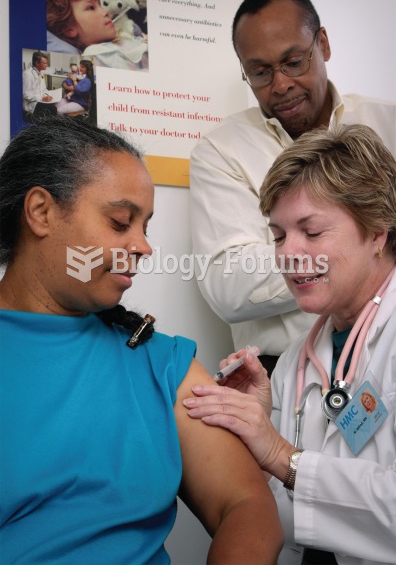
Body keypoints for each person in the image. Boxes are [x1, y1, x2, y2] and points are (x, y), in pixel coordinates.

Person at [0, 117, 282, 564]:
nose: (144, 247)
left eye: (145, 227)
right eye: (120, 222)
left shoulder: (159, 361)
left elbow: (246, 507)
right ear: (41, 212)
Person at [184, 123, 396, 565]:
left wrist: (283, 455)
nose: (288, 254)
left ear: (377, 230)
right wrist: (259, 438)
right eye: (278, 236)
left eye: (312, 232)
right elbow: (288, 518)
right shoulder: (297, 361)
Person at [189, 0, 396, 375]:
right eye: (260, 72)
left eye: (294, 62)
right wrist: (354, 253)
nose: (280, 84)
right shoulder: (221, 151)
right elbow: (229, 285)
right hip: (283, 369)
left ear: (323, 44)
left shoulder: (389, 123)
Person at [47, 0, 148, 70]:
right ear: (69, 29)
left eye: (100, 5)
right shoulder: (97, 56)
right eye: (91, 7)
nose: (106, 12)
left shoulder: (115, 43)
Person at [22, 51, 57, 122]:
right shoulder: (27, 75)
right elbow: (26, 95)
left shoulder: (40, 74)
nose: (46, 65)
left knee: (53, 107)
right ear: (37, 63)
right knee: (51, 109)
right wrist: (42, 98)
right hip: (31, 105)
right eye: (45, 63)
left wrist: (48, 95)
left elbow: (44, 89)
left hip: (40, 101)